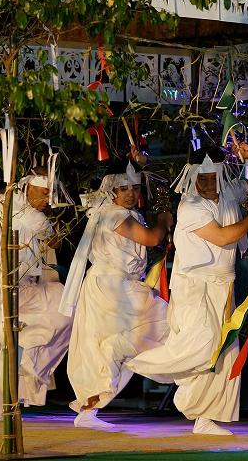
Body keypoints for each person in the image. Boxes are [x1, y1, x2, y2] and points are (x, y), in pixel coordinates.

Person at [126, 142, 248, 435]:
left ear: (220, 174)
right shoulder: (190, 205)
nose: (205, 184)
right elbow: (222, 236)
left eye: (210, 177)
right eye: (200, 178)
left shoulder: (229, 190)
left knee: (223, 349)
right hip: (194, 284)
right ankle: (138, 358)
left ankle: (207, 418)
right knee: (202, 342)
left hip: (224, 284)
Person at [61, 157, 173, 430]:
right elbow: (151, 239)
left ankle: (89, 411)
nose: (131, 194)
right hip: (111, 286)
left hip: (119, 283)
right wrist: (162, 220)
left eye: (135, 188)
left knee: (118, 343)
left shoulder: (122, 214)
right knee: (159, 321)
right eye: (124, 189)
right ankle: (89, 408)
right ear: (112, 192)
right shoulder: (113, 214)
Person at [0, 167, 73, 421]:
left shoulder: (38, 218)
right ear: (28, 188)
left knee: (66, 306)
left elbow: (52, 240)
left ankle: (29, 366)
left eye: (50, 194)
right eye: (44, 192)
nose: (47, 199)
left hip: (23, 289)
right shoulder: (6, 207)